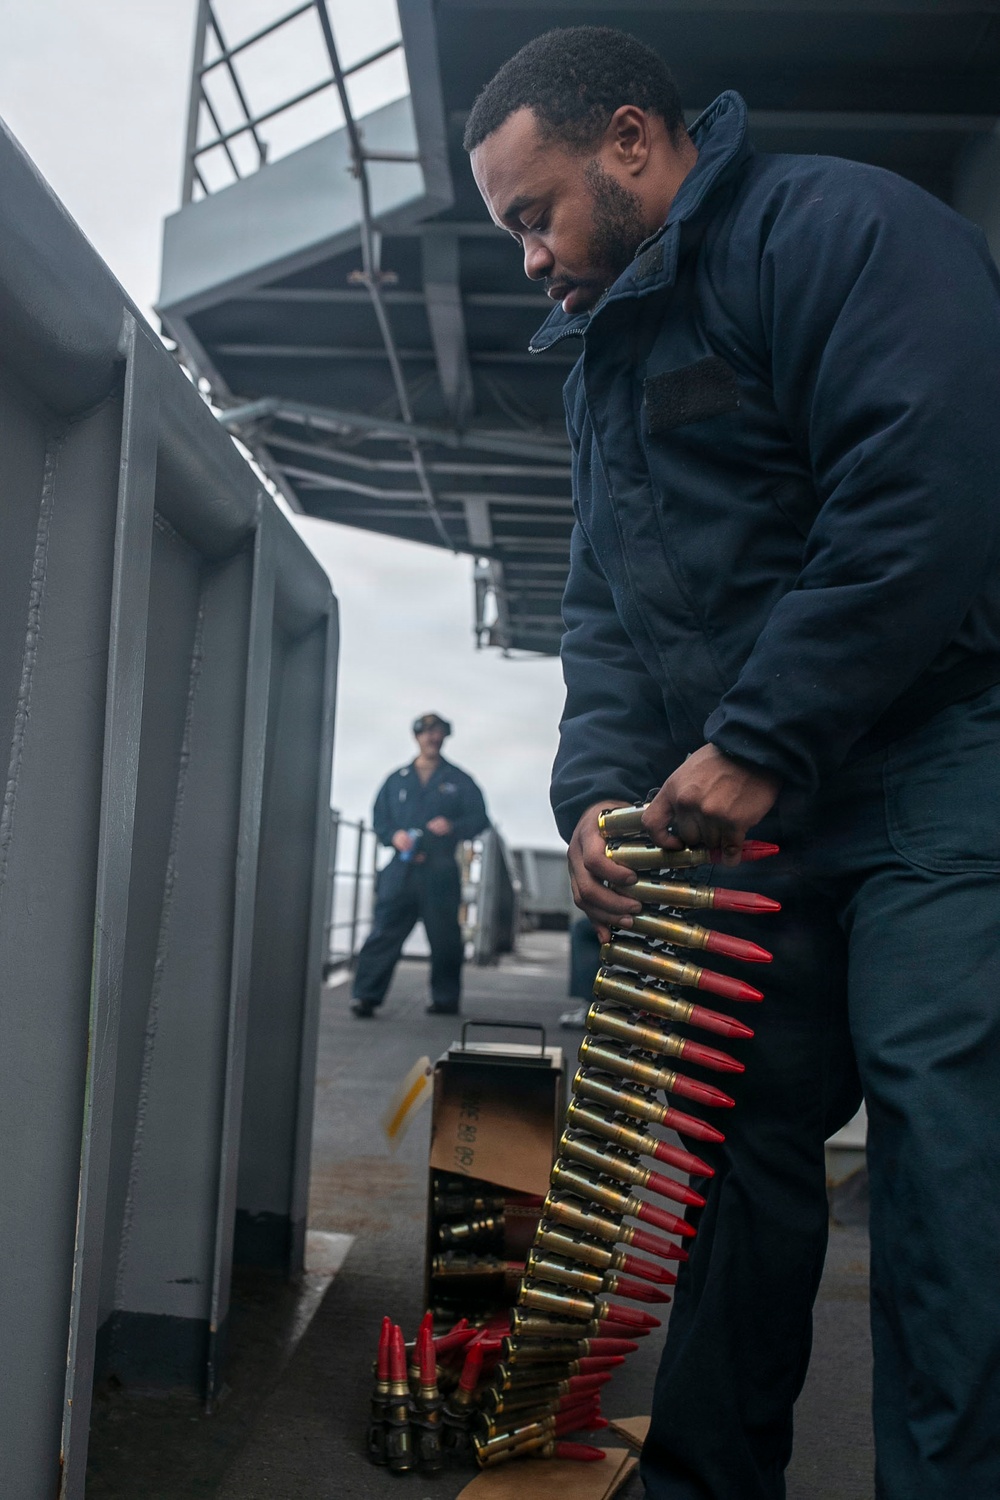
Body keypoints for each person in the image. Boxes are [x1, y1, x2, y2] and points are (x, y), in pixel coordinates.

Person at [466, 26, 1000, 1500]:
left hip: (936, 765)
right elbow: (605, 611)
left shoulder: (842, 234)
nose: (529, 259)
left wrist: (762, 735)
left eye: (535, 215)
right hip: (747, 812)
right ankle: (703, 1482)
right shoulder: (602, 368)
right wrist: (594, 792)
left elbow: (920, 490)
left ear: (632, 143)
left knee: (944, 1149)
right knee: (728, 1148)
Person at [351, 714, 489, 1017]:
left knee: (445, 939)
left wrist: (452, 826)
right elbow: (380, 819)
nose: (432, 738)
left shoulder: (459, 780)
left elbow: (480, 819)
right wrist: (393, 836)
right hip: (401, 871)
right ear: (417, 737)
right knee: (383, 934)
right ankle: (365, 996)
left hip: (440, 870)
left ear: (444, 737)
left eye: (438, 733)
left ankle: (445, 999)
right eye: (427, 733)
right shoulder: (396, 779)